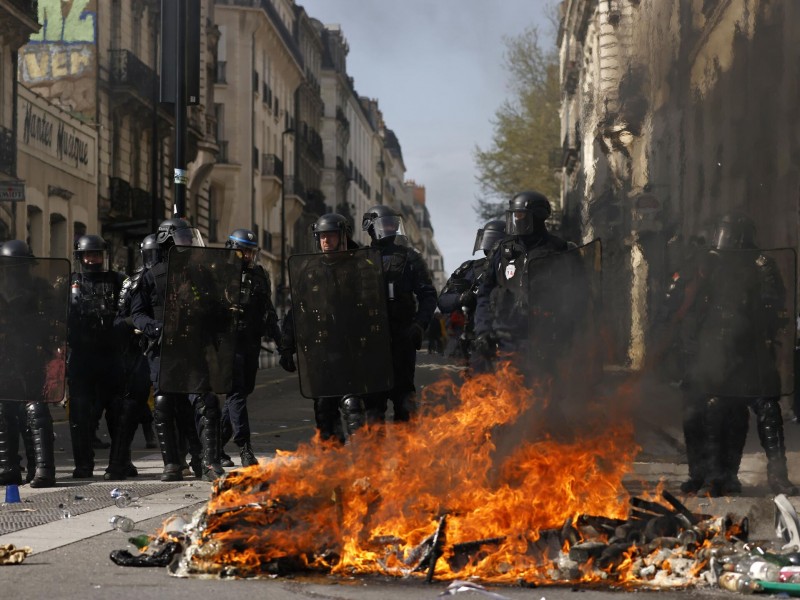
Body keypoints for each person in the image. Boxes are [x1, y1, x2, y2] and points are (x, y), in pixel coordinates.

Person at [681, 213, 797, 496]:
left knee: (768, 408)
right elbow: (691, 303)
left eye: (730, 233)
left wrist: (754, 316)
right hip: (717, 352)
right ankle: (713, 475)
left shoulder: (762, 265)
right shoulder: (712, 263)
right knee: (709, 405)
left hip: (752, 352)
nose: (726, 239)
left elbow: (774, 304)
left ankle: (777, 475)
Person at [131, 217, 223, 482]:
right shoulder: (151, 276)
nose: (188, 244)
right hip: (164, 350)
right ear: (167, 242)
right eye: (183, 239)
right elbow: (136, 314)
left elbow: (214, 306)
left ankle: (208, 461)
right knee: (165, 403)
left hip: (193, 347)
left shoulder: (201, 273)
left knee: (206, 402)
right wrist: (156, 328)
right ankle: (172, 462)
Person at [279, 213, 369, 442]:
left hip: (351, 348)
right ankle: (333, 461)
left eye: (330, 236)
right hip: (320, 350)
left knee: (353, 405)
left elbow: (373, 307)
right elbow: (297, 310)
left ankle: (364, 459)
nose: (326, 241)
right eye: (322, 237)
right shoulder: (309, 271)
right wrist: (286, 346)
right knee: (323, 408)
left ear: (343, 237)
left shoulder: (359, 266)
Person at [472, 191, 572, 375]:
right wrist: (483, 330)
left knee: (545, 397)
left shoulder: (559, 250)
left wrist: (567, 335)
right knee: (508, 395)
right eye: (514, 216)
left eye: (521, 216)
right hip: (506, 338)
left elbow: (573, 297)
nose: (516, 220)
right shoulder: (501, 250)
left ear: (537, 217)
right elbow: (484, 294)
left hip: (546, 338)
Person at [360, 205, 437, 423]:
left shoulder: (410, 258)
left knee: (405, 400)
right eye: (385, 224)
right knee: (372, 404)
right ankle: (374, 455)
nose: (390, 228)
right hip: (371, 341)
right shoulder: (358, 259)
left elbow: (428, 295)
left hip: (401, 336)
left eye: (393, 224)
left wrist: (419, 325)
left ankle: (407, 455)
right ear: (371, 227)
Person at [0, 240, 67, 487]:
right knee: (4, 408)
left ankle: (43, 468)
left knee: (35, 409)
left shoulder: (40, 288)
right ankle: (8, 467)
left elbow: (55, 319)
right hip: (5, 355)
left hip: (32, 352)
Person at [219, 228, 281, 467]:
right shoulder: (221, 274)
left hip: (251, 343)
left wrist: (280, 342)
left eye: (250, 251)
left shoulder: (259, 275)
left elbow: (268, 310)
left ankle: (214, 446)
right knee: (236, 394)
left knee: (240, 394)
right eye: (242, 250)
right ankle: (244, 448)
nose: (246, 255)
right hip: (228, 345)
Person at [67, 234, 126, 479]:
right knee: (80, 412)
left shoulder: (117, 281)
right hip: (82, 357)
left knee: (118, 412)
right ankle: (83, 464)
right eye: (89, 255)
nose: (93, 259)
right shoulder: (69, 283)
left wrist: (122, 327)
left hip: (111, 356)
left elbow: (129, 310)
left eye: (97, 254)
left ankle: (119, 463)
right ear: (80, 257)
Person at [108, 234, 159, 480]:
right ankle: (119, 463)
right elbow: (118, 322)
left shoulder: (179, 279)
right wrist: (139, 323)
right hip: (141, 351)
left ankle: (184, 459)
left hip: (171, 352)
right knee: (128, 407)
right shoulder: (134, 282)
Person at [438, 220, 506, 359]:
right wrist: (461, 298)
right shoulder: (472, 268)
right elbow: (443, 300)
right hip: (474, 339)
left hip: (508, 339)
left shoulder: (514, 269)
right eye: (489, 240)